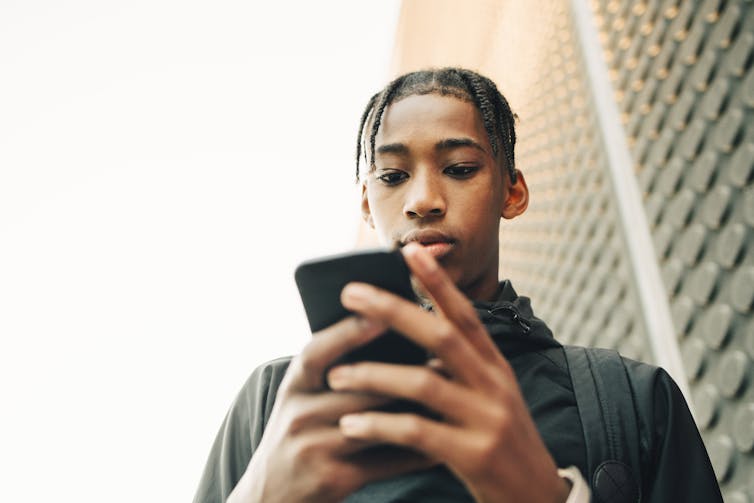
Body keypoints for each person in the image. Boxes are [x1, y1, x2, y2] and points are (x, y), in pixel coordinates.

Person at [193, 67, 722, 502]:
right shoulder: (275, 403)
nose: (422, 199)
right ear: (366, 206)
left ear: (512, 192)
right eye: (393, 176)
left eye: (461, 168)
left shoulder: (631, 398)